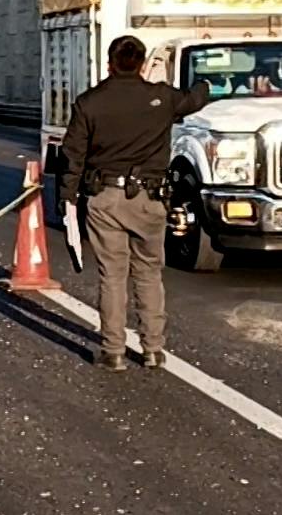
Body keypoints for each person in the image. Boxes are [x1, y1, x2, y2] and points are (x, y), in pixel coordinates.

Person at [59, 35, 212, 372]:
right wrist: (204, 76)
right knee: (148, 273)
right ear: (142, 64)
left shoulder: (89, 102)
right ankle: (153, 349)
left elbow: (73, 155)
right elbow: (197, 99)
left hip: (105, 198)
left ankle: (113, 352)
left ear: (109, 63)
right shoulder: (162, 98)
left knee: (112, 275)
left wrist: (67, 198)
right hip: (149, 198)